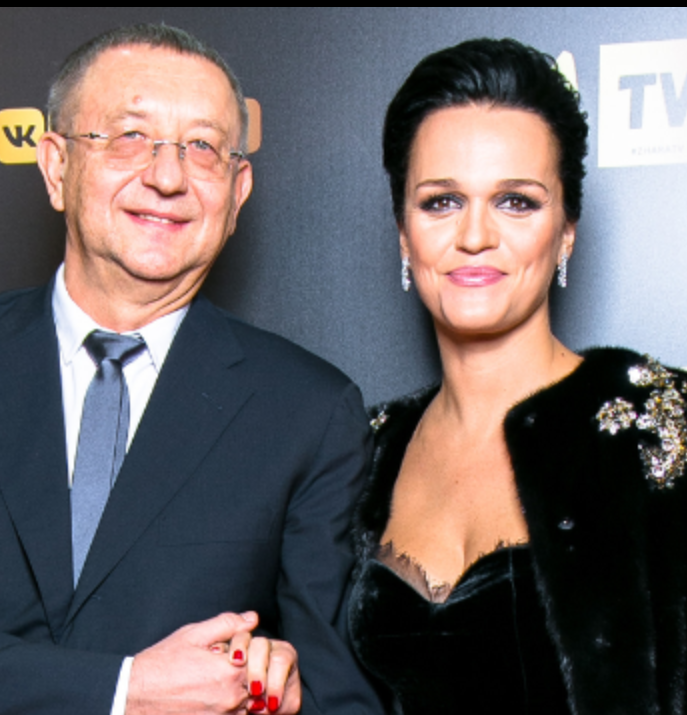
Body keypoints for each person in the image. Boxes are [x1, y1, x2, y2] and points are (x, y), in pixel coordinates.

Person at [0, 23, 383, 715]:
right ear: (56, 167)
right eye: (130, 137)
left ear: (237, 191)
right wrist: (126, 689)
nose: (168, 177)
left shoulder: (309, 413)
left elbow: (338, 696)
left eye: (202, 147)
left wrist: (277, 692)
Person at [348, 37, 687, 715]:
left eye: (516, 202)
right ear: (403, 233)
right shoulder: (367, 446)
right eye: (441, 202)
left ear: (566, 231)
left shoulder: (659, 424)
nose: (475, 235)